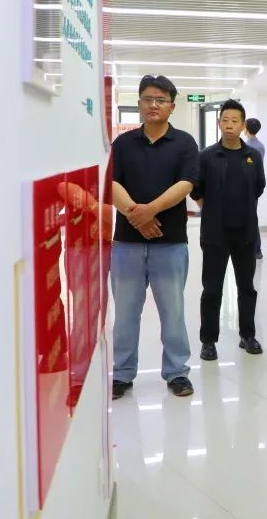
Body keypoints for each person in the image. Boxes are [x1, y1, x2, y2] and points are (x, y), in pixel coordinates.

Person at [110, 75, 199, 399]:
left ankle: (177, 373)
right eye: (147, 99)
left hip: (170, 243)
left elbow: (186, 184)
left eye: (160, 100)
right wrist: (137, 216)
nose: (153, 105)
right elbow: (111, 183)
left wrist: (150, 211)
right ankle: (122, 374)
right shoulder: (123, 144)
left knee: (172, 312)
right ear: (139, 104)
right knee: (125, 314)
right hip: (127, 244)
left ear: (172, 106)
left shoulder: (185, 143)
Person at [193, 100, 266, 359]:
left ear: (243, 125)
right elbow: (196, 190)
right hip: (215, 234)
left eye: (235, 121)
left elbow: (259, 187)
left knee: (247, 287)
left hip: (245, 233)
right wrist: (214, 209)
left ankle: (248, 335)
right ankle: (208, 340)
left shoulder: (253, 156)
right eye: (225, 120)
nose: (229, 125)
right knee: (212, 289)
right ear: (218, 123)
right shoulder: (206, 156)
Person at [243, 117, 265, 260]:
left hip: (246, 187)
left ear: (245, 128)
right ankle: (255, 248)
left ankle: (255, 248)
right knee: (252, 216)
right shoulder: (260, 146)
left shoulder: (246, 146)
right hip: (255, 186)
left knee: (249, 217)